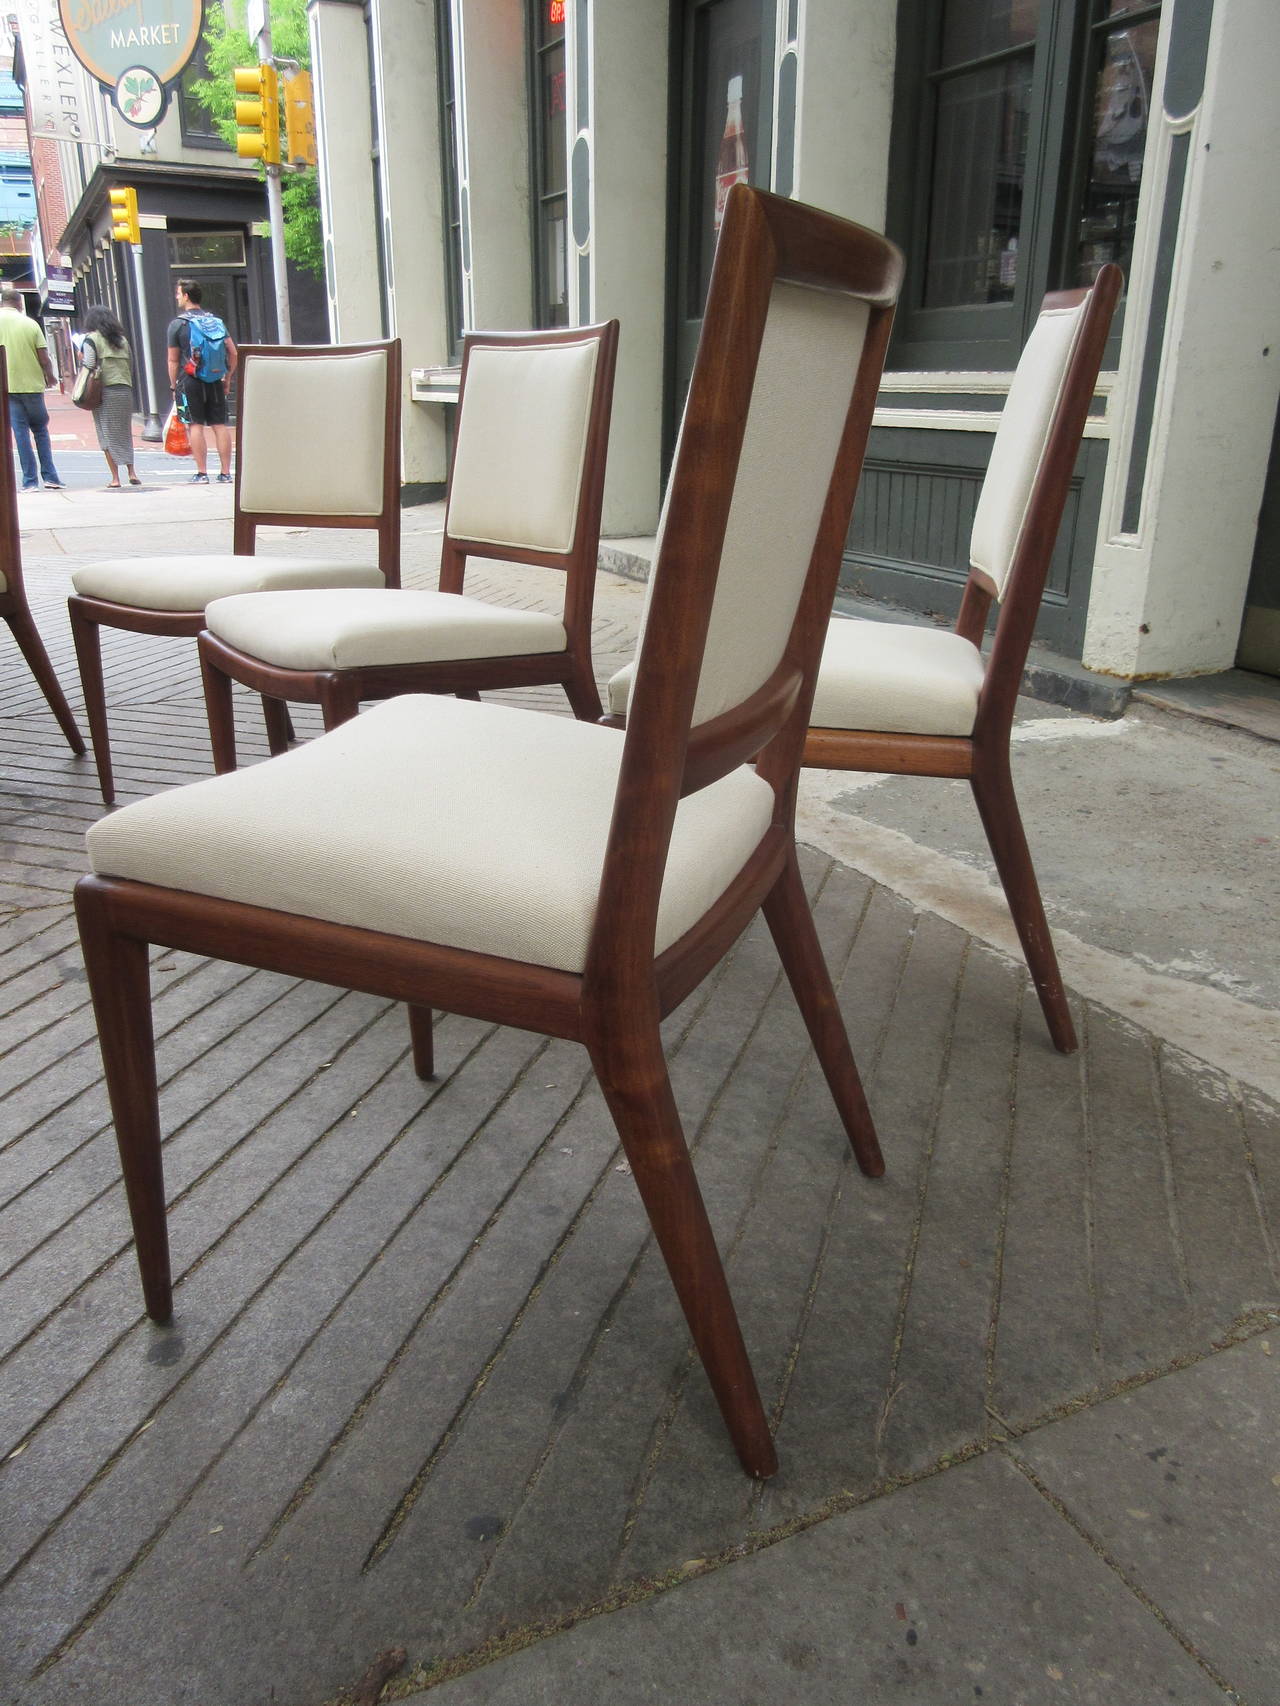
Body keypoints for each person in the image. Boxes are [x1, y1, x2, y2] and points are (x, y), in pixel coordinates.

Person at [166, 278, 237, 484]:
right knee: (219, 425)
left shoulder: (178, 324)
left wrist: (173, 385)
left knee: (195, 425)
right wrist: (228, 376)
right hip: (215, 377)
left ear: (187, 296)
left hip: (190, 380)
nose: (177, 297)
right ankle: (225, 473)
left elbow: (172, 360)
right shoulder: (215, 322)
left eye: (179, 294)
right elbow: (233, 352)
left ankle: (202, 472)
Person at [0, 287, 65, 490]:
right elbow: (43, 357)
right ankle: (50, 477)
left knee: (20, 434)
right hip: (32, 386)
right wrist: (50, 377)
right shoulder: (30, 324)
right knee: (40, 431)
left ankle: (29, 481)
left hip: (8, 387)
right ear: (19, 303)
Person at [81, 305, 140, 489]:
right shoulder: (122, 340)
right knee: (124, 432)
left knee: (106, 433)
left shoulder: (91, 339)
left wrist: (80, 357)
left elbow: (89, 363)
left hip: (104, 391)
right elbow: (131, 364)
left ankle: (115, 478)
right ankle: (132, 472)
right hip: (124, 389)